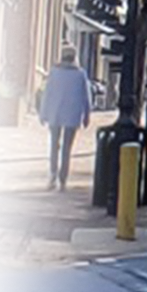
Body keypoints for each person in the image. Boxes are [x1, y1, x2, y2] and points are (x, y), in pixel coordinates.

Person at [34, 51, 94, 191]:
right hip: (73, 116)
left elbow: (47, 94)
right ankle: (63, 179)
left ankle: (53, 174)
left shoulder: (54, 73)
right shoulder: (80, 74)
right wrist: (86, 115)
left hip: (55, 114)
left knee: (54, 146)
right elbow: (87, 97)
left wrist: (43, 114)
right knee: (67, 148)